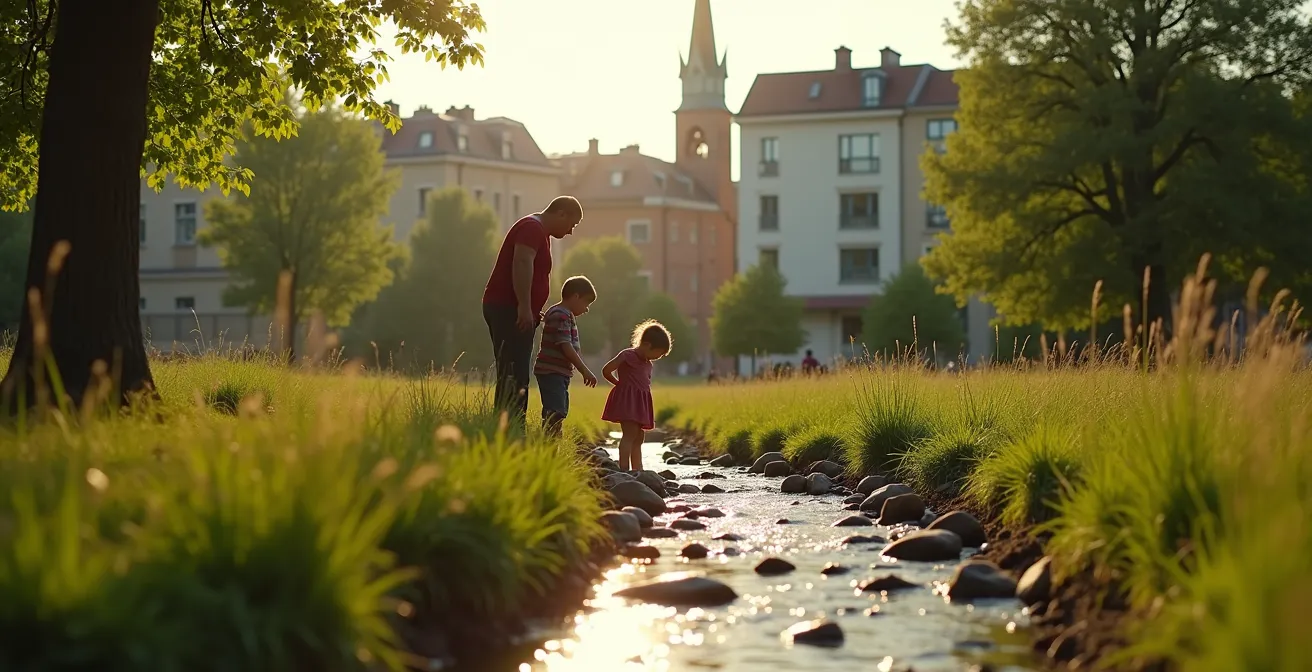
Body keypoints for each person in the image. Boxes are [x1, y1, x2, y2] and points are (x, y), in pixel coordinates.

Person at [482, 195, 583, 431]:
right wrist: (524, 306)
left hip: (515, 308)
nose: (570, 231)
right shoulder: (531, 228)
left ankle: (510, 428)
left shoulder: (540, 233)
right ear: (561, 214)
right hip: (508, 308)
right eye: (572, 224)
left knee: (516, 371)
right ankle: (510, 429)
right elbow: (522, 263)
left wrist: (534, 308)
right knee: (513, 372)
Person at [533, 275, 599, 438]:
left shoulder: (561, 314)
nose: (586, 309)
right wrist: (584, 370)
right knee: (555, 412)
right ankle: (549, 445)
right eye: (586, 303)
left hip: (558, 372)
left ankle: (553, 444)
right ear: (576, 296)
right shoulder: (561, 315)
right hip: (552, 371)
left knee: (558, 411)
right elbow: (566, 346)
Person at [601, 320, 671, 472]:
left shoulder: (648, 364)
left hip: (640, 403)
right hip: (628, 401)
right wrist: (619, 384)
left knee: (639, 436)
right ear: (646, 345)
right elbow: (607, 370)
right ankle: (624, 469)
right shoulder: (627, 355)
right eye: (657, 354)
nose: (657, 357)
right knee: (629, 434)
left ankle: (637, 469)